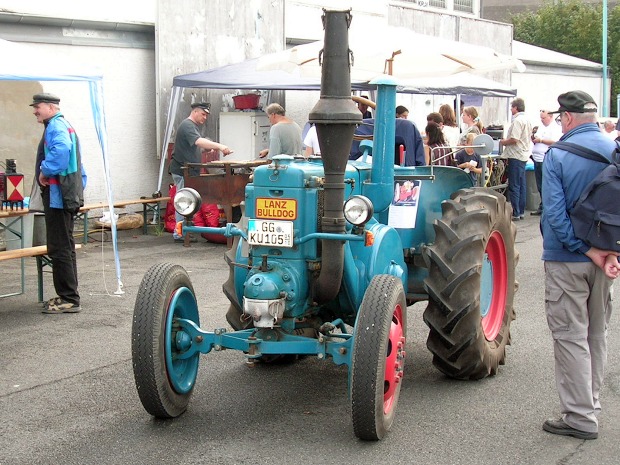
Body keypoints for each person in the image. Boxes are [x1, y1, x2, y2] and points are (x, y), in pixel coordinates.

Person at [541, 90, 618, 441]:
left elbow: (554, 214)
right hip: (607, 256)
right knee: (596, 333)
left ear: (567, 118)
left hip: (566, 258)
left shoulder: (557, 155)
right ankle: (592, 404)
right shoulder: (613, 149)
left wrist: (581, 248)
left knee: (570, 335)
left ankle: (580, 417)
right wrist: (608, 252)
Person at [30, 93, 87, 314]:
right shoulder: (63, 124)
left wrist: (45, 170)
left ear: (52, 107)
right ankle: (69, 295)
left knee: (59, 246)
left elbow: (61, 151)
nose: (35, 110)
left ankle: (69, 299)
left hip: (58, 195)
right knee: (66, 245)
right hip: (66, 193)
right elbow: (79, 167)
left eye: (38, 107)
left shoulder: (55, 126)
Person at [169, 102, 233, 242]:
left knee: (187, 201)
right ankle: (179, 233)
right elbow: (198, 141)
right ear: (195, 112)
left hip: (189, 171)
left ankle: (184, 231)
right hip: (182, 170)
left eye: (206, 115)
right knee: (184, 202)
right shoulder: (188, 125)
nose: (205, 118)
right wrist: (220, 146)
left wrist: (204, 150)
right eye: (203, 114)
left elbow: (192, 146)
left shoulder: (192, 126)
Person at [499, 98, 532, 221]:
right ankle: (521, 211)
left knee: (514, 185)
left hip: (516, 155)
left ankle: (516, 212)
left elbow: (514, 139)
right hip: (523, 155)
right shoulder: (527, 120)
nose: (511, 109)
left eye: (512, 107)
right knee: (522, 184)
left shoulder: (518, 121)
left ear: (516, 108)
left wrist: (503, 142)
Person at [530, 109, 562, 216]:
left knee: (547, 184)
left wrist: (541, 140)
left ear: (550, 117)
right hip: (537, 158)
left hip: (546, 158)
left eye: (543, 118)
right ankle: (543, 205)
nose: (542, 120)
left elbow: (556, 141)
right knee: (540, 184)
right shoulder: (541, 127)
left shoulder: (555, 128)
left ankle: (547, 207)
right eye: (541, 118)